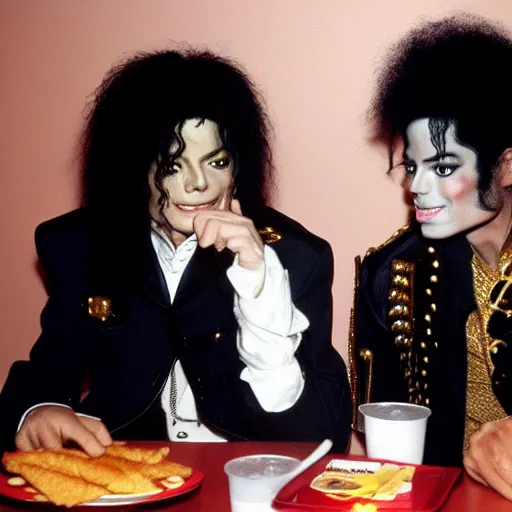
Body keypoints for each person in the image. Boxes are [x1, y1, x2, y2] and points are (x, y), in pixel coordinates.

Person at [0, 49, 351, 456]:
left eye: (216, 161)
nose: (198, 183)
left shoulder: (295, 256)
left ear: (239, 165)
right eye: (172, 164)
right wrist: (38, 410)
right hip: (122, 476)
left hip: (243, 479)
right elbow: (46, 373)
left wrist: (260, 287)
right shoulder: (81, 246)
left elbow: (323, 432)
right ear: (132, 168)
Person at [350, 14, 512, 499]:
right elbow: (382, 439)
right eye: (413, 166)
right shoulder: (392, 275)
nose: (416, 186)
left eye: (443, 166)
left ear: (506, 165)